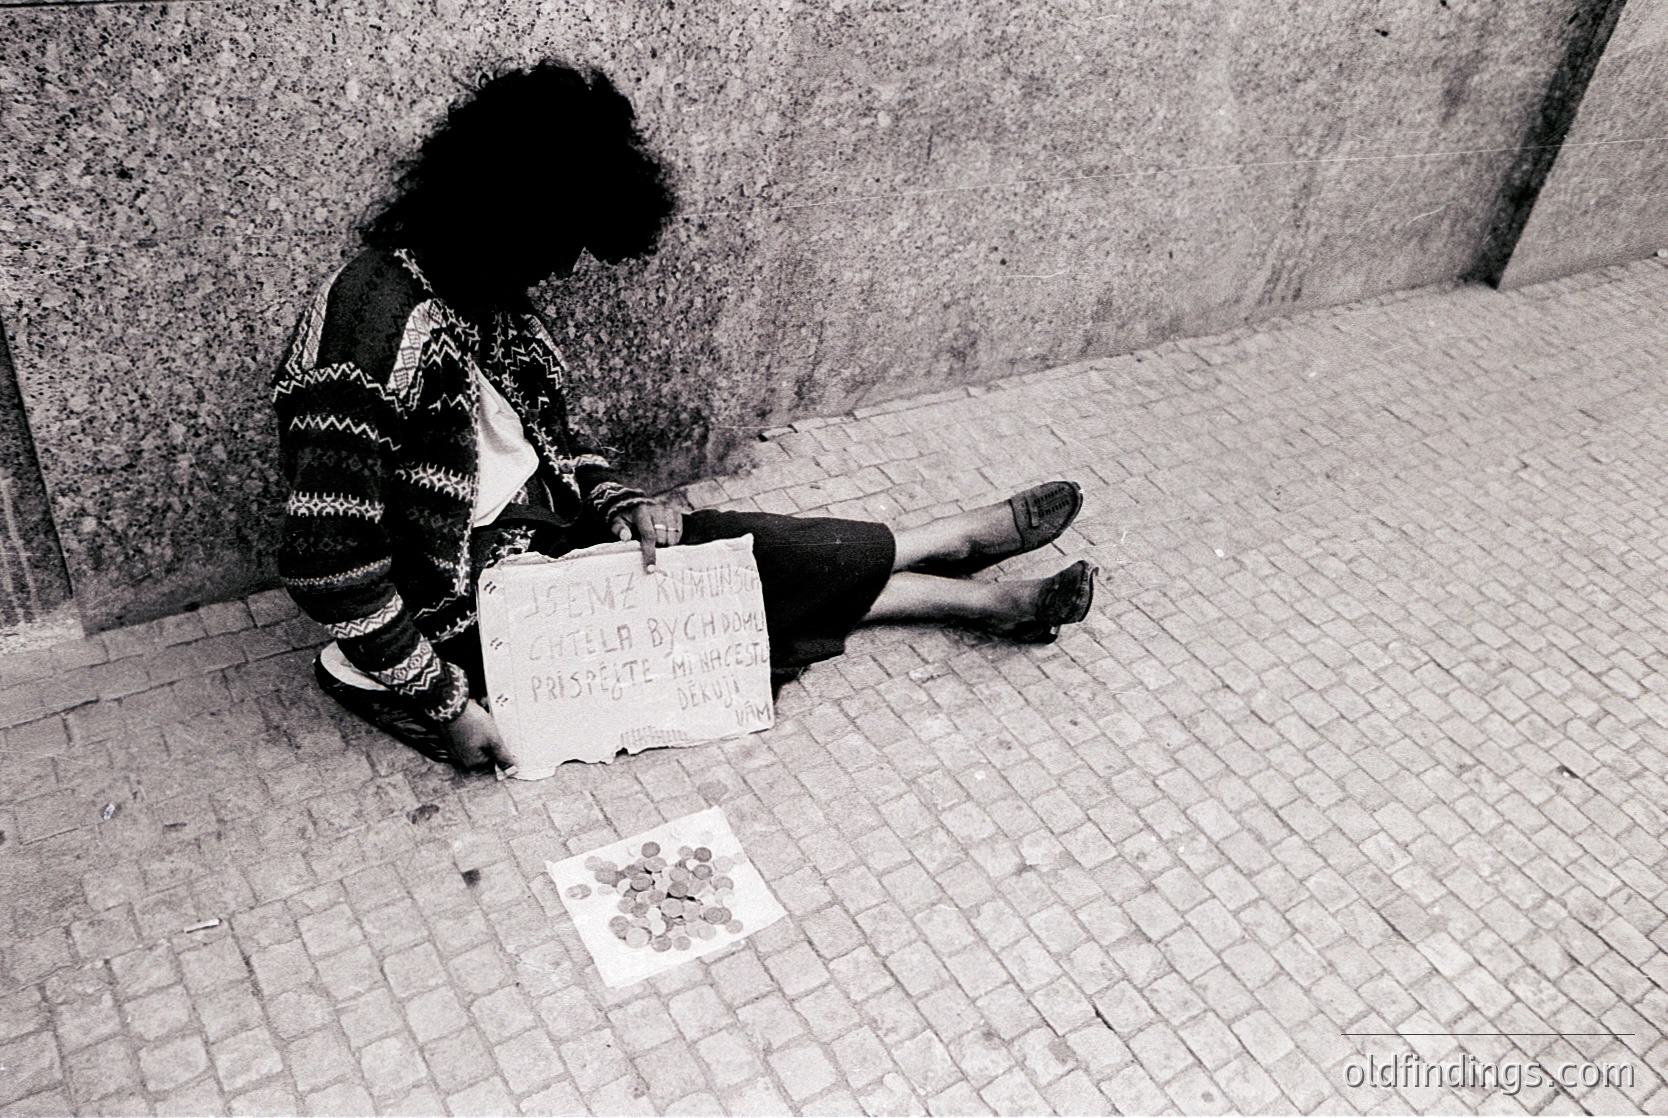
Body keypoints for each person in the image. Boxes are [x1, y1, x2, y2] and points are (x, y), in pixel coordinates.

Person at [273, 61, 1096, 774]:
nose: (563, 267)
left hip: (545, 550)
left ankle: (943, 549)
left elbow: (552, 449)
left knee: (732, 551)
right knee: (718, 620)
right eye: (557, 241)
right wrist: (449, 705)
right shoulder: (366, 337)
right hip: (462, 622)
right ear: (503, 209)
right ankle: (969, 594)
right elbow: (325, 563)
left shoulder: (483, 295)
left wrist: (622, 503)